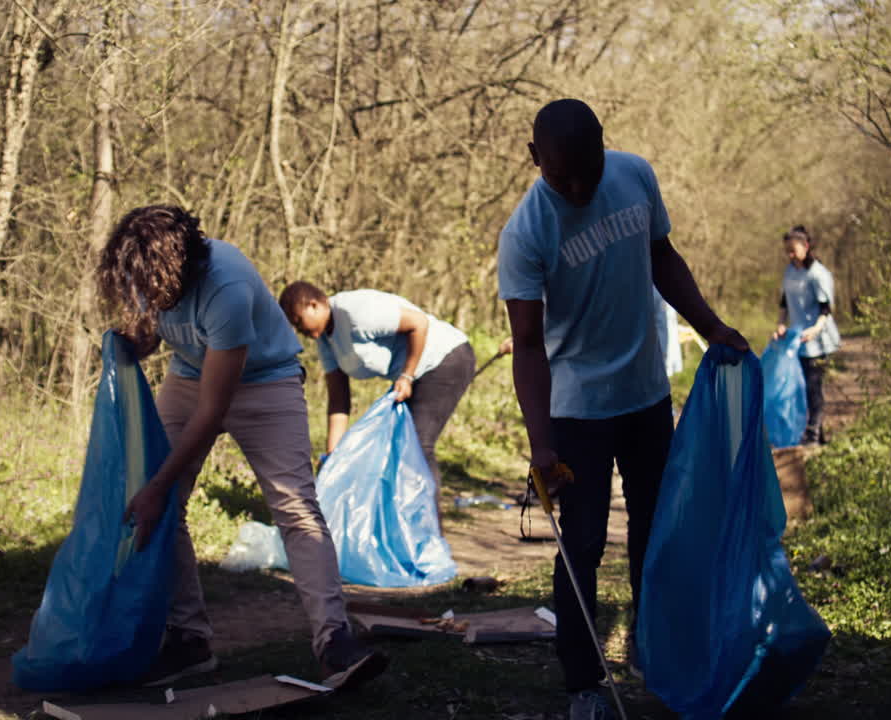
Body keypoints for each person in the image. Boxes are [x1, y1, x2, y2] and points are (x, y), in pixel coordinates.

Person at [497, 99, 748, 720]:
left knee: (655, 531)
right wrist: (541, 445)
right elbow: (527, 346)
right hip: (576, 410)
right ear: (535, 160)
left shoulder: (635, 174)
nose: (579, 187)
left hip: (646, 396)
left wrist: (710, 325)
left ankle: (654, 645)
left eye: (589, 168)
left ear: (606, 146)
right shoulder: (526, 233)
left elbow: (662, 256)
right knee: (581, 543)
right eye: (562, 176)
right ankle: (584, 685)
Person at [97, 205, 387, 690]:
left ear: (178, 269)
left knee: (295, 507)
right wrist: (129, 343)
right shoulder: (149, 275)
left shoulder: (225, 285)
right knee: (163, 504)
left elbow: (212, 413)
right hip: (190, 376)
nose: (145, 295)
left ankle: (335, 643)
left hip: (265, 382)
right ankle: (189, 640)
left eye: (151, 287)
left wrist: (158, 484)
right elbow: (153, 331)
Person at [277, 282, 474, 522]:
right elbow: (339, 399)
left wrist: (406, 375)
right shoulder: (326, 340)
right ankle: (400, 530)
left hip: (444, 359)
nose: (299, 330)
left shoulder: (355, 312)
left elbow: (419, 323)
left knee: (417, 447)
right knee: (391, 449)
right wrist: (332, 455)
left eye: (298, 321)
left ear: (314, 305)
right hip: (412, 374)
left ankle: (428, 532)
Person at [771, 225, 841, 445]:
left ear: (806, 247)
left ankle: (812, 433)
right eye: (787, 251)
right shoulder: (790, 271)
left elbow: (825, 308)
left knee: (813, 386)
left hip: (818, 340)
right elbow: (784, 303)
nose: (790, 255)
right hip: (797, 339)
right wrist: (781, 325)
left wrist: (816, 329)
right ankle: (818, 437)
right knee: (799, 387)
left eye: (793, 250)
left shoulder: (818, 273)